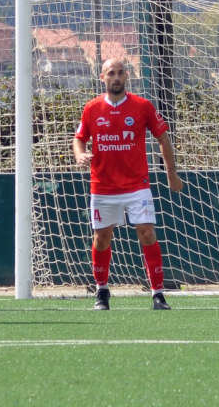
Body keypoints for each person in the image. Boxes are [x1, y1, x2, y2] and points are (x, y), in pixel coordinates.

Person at [72, 58, 184, 311]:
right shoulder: (92, 109)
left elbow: (163, 139)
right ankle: (102, 291)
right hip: (103, 186)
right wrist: (80, 154)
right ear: (103, 77)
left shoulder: (142, 106)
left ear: (127, 77)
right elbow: (79, 139)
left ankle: (158, 294)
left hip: (137, 185)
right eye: (112, 73)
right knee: (102, 238)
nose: (117, 77)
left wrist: (171, 174)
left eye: (121, 73)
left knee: (147, 232)